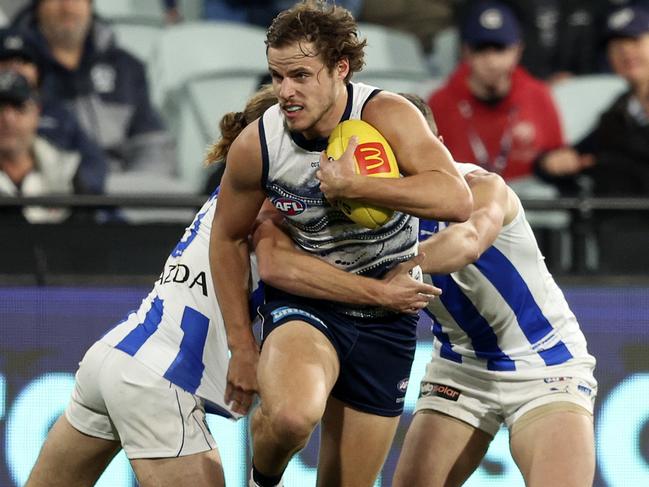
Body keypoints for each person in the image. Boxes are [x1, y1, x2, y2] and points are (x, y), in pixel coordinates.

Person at [24, 84, 437, 486]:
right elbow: (275, 265)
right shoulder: (274, 206)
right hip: (162, 381)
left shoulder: (231, 203)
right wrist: (380, 291)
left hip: (115, 357)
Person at [210, 2, 472, 486]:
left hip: (387, 321)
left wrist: (358, 187)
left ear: (340, 69)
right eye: (277, 76)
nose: (286, 91)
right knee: (290, 417)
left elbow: (455, 198)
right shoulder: (260, 145)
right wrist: (242, 347)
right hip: (308, 304)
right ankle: (261, 479)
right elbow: (226, 239)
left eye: (301, 76)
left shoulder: (388, 114)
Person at [385, 96, 597, 487]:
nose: (407, 166)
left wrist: (395, 263)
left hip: (547, 363)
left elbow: (466, 241)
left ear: (440, 145)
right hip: (459, 366)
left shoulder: (483, 187)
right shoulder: (371, 217)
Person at [11, 0, 176, 184]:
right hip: (46, 192)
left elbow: (152, 144)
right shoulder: (12, 67)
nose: (68, 7)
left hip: (120, 193)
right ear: (38, 6)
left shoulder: (126, 67)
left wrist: (137, 192)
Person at [429, 1, 567, 183]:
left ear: (518, 51)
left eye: (500, 49)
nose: (492, 61)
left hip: (529, 199)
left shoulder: (538, 95)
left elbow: (556, 158)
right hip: (464, 195)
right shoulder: (440, 102)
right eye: (481, 50)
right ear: (465, 52)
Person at [0, 27, 106, 195]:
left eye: (24, 61)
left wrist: (73, 186)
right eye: (5, 61)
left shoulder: (61, 114)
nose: (8, 118)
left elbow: (92, 165)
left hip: (50, 200)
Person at [0, 70, 94, 223]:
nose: (7, 119)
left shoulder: (66, 171)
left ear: (37, 113)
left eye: (19, 107)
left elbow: (86, 237)